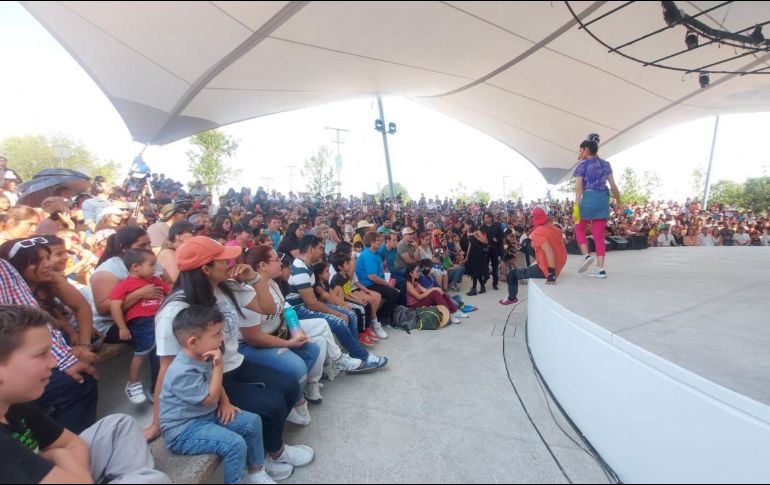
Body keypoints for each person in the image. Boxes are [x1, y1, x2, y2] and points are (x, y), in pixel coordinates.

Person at [151, 236, 314, 478]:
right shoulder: (175, 311)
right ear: (205, 269)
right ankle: (272, 454)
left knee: (290, 386)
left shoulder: (226, 287)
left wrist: (255, 279)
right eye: (223, 259)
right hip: (212, 378)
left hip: (236, 362)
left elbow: (269, 309)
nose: (232, 261)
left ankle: (272, 449)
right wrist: (157, 423)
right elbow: (165, 368)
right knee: (271, 404)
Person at [0, 305, 170, 484]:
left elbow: (73, 443)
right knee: (154, 481)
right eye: (42, 354)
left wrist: (71, 467)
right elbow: (64, 452)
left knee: (119, 425)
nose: (53, 362)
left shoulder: (14, 404)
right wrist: (61, 457)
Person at [160, 306, 277, 484]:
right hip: (183, 430)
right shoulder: (181, 371)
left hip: (205, 415)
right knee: (234, 444)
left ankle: (256, 472)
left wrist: (226, 403)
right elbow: (209, 399)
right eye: (216, 334)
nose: (222, 338)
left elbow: (212, 382)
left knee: (252, 421)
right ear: (192, 342)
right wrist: (219, 367)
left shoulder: (203, 354)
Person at [288, 235, 387, 373]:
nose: (322, 252)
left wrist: (340, 309)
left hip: (308, 306)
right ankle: (362, 357)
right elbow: (311, 304)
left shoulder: (306, 266)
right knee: (339, 320)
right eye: (320, 248)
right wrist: (337, 312)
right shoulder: (300, 268)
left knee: (351, 314)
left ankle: (356, 353)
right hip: (299, 310)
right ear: (311, 249)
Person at [109, 249, 172, 404]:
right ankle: (133, 382)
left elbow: (171, 291)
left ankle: (165, 384)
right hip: (142, 322)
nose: (154, 269)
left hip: (161, 319)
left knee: (165, 351)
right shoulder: (124, 285)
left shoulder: (155, 281)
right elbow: (115, 306)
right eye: (151, 265)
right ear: (136, 267)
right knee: (141, 352)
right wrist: (122, 327)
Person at [573, 133, 622, 278]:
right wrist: (619, 203)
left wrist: (576, 206)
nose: (579, 153)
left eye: (580, 150)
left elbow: (578, 187)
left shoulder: (582, 165)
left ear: (586, 149)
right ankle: (600, 269)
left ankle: (587, 256)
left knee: (579, 228)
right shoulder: (606, 164)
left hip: (588, 199)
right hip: (603, 200)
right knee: (598, 235)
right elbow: (613, 186)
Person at [501, 207, 567, 304]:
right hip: (558, 266)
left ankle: (512, 298)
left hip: (546, 269)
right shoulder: (557, 229)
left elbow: (549, 252)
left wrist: (551, 274)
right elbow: (561, 250)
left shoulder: (537, 233)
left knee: (512, 274)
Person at [354, 232, 399, 328]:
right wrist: (387, 284)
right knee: (394, 293)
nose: (381, 242)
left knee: (397, 287)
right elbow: (372, 277)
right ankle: (380, 318)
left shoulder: (376, 253)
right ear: (371, 242)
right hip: (368, 284)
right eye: (378, 240)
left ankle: (388, 317)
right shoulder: (368, 255)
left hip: (376, 281)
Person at [462, 221, 490, 296]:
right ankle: (482, 287)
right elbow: (470, 245)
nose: (465, 227)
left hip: (479, 253)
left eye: (466, 225)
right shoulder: (467, 233)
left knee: (476, 271)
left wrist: (476, 236)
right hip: (472, 254)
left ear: (470, 225)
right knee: (476, 271)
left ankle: (474, 288)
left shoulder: (477, 231)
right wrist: (467, 257)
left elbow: (485, 241)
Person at [482, 212, 504, 290]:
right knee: (484, 266)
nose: (486, 219)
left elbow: (501, 236)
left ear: (491, 218)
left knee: (495, 267)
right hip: (486, 249)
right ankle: (485, 278)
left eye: (487, 217)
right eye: (484, 217)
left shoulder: (497, 226)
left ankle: (495, 284)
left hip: (494, 248)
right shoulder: (482, 228)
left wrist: (497, 240)